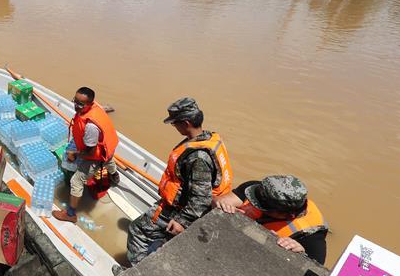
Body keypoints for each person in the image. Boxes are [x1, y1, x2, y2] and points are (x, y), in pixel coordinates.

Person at [126, 97, 233, 266]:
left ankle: (133, 272)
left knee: (137, 230)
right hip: (185, 204)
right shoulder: (209, 138)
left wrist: (182, 221)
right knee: (164, 242)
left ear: (186, 122)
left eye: (175, 123)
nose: (174, 127)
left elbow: (201, 197)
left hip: (179, 210)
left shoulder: (198, 157)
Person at [214, 175, 328, 264]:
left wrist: (300, 253)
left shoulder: (312, 238)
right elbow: (218, 201)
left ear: (288, 215)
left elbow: (313, 271)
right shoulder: (259, 190)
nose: (254, 203)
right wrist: (219, 204)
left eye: (263, 207)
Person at [52, 87, 118, 223]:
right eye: (75, 101)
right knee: (109, 159)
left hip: (96, 154)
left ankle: (70, 214)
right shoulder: (96, 108)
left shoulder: (90, 127)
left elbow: (91, 151)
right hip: (107, 148)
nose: (76, 106)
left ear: (90, 104)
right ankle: (114, 175)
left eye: (80, 104)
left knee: (76, 181)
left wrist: (74, 155)